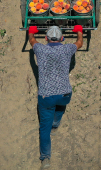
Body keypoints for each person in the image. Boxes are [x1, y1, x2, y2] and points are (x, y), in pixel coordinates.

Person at [28, 25, 84, 169]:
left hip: (46, 96)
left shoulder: (40, 49)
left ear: (46, 38)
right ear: (62, 38)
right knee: (60, 108)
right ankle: (56, 124)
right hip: (65, 93)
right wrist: (79, 30)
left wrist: (31, 31)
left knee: (43, 129)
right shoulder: (67, 49)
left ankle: (45, 158)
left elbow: (32, 40)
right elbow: (79, 43)